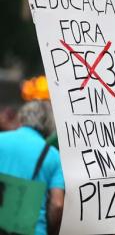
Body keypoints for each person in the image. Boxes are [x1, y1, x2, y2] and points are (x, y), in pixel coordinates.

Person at [0, 100, 64, 235]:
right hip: (33, 230)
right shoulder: (52, 155)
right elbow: (57, 205)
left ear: (21, 117)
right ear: (49, 124)